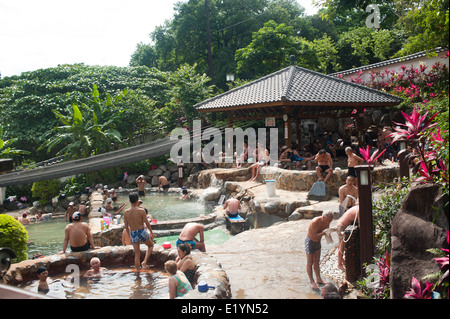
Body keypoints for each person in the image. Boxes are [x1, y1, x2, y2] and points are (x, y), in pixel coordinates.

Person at [123, 193, 155, 272]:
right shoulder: (141, 211)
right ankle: (144, 262)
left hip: (133, 232)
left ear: (130, 201)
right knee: (151, 245)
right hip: (141, 231)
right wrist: (151, 232)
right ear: (137, 200)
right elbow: (147, 223)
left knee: (137, 254)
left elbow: (126, 226)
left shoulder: (126, 212)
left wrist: (129, 236)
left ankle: (138, 272)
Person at [305, 210, 334, 290]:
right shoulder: (315, 222)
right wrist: (324, 232)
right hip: (310, 241)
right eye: (328, 220)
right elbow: (315, 235)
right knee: (310, 262)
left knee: (316, 261)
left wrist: (333, 231)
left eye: (331, 220)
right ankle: (312, 281)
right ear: (323, 217)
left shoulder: (327, 221)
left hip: (318, 242)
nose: (329, 222)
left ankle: (319, 279)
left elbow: (326, 233)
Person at [336, 206, 359, 270]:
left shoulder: (356, 207)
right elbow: (360, 224)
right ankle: (339, 264)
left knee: (340, 244)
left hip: (339, 224)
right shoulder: (359, 211)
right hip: (341, 226)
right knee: (342, 246)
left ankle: (341, 260)